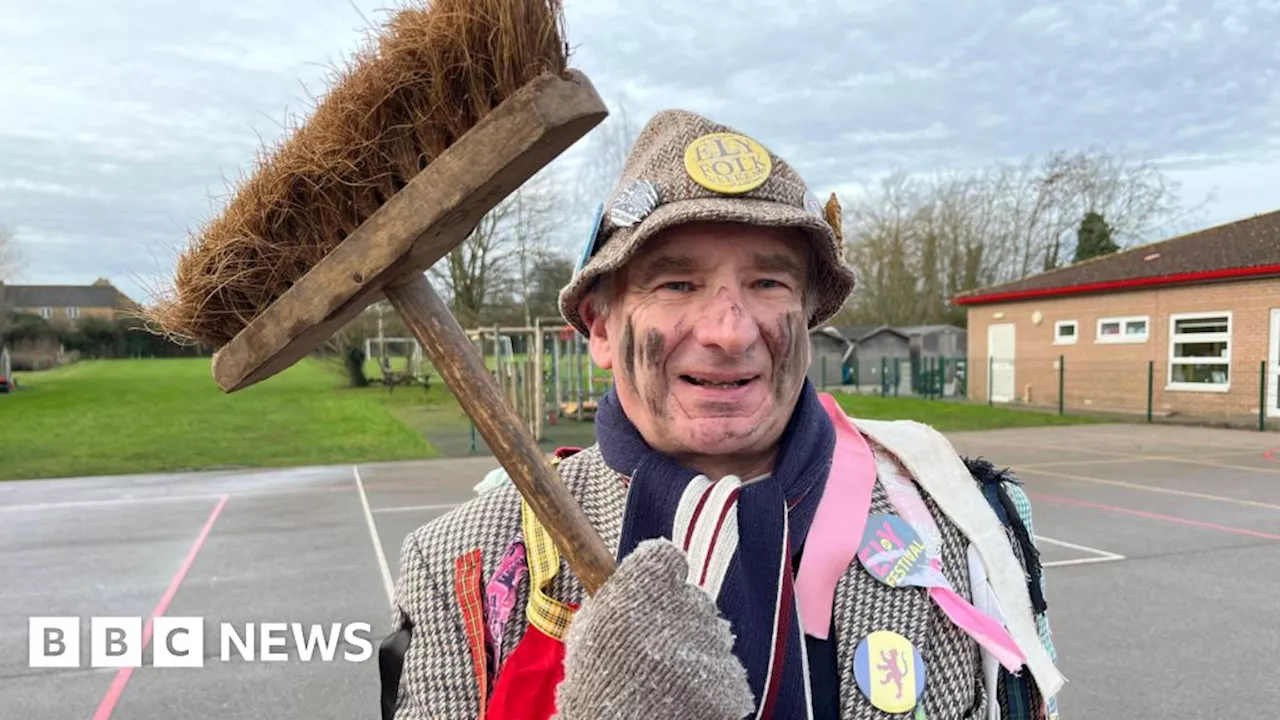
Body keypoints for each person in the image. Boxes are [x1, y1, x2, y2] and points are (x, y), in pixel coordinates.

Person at [379, 109, 1065, 720]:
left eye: (768, 282)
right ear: (601, 327)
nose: (730, 331)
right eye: (677, 283)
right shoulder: (464, 560)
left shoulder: (969, 523)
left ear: (806, 315)